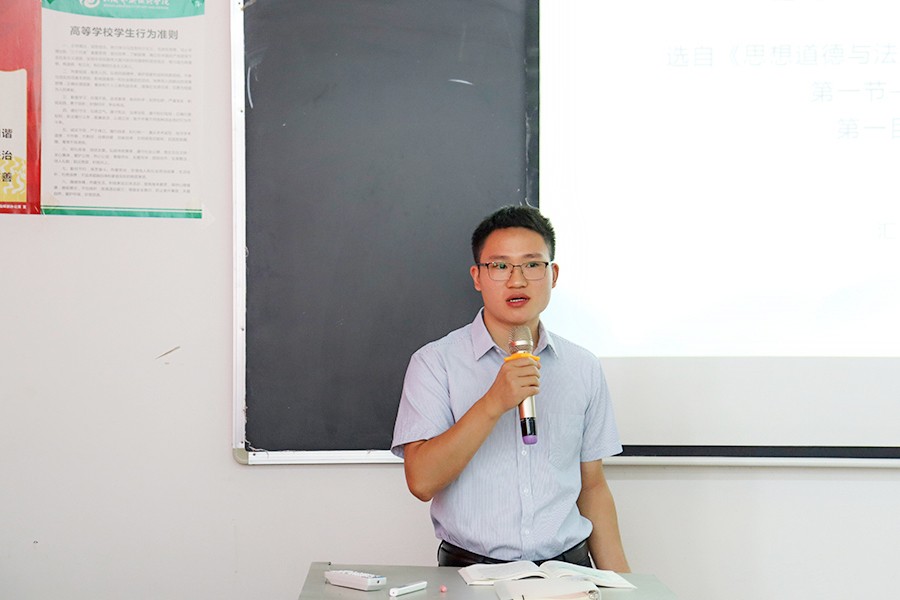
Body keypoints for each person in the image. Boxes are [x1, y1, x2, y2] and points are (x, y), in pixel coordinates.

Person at [391, 205, 630, 571]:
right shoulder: (434, 362)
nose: (517, 280)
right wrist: (493, 402)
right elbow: (421, 481)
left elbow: (592, 487)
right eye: (500, 266)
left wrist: (624, 586)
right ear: (477, 276)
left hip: (569, 574)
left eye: (532, 264)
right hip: (470, 575)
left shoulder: (583, 366)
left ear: (553, 274)